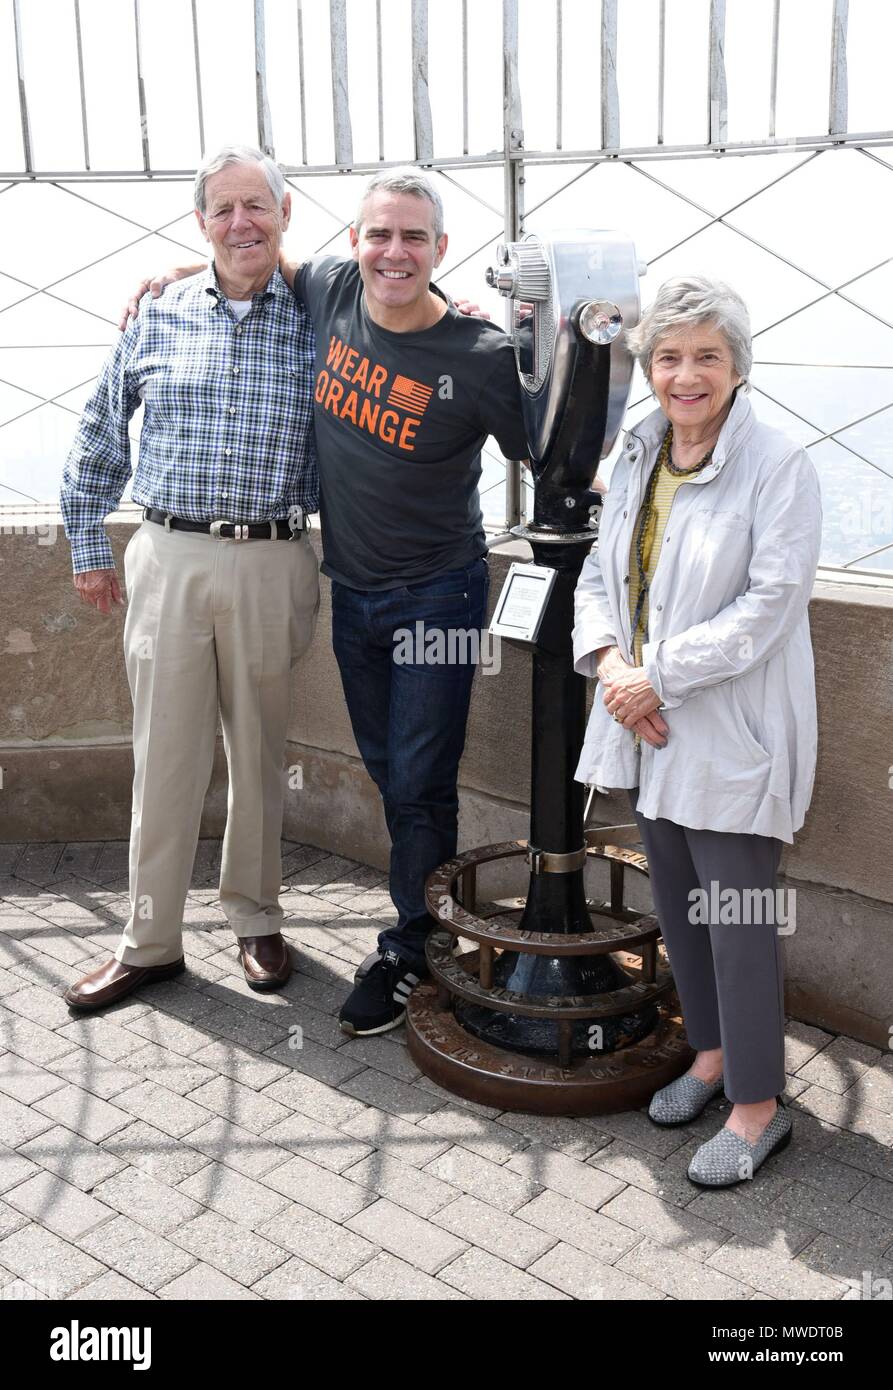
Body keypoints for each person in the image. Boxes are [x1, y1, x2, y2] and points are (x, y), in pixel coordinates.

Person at [129, 167, 529, 1037]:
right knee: (393, 775)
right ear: (352, 243)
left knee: (419, 787)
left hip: (442, 598)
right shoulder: (329, 287)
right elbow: (248, 249)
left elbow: (551, 455)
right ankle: (431, 929)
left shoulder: (479, 354)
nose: (394, 252)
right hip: (353, 593)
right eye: (379, 234)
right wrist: (169, 273)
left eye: (413, 238)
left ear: (440, 251)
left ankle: (412, 950)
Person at [572, 275, 822, 1187]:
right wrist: (608, 664)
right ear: (647, 369)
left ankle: (757, 1107)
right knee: (678, 907)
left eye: (705, 357)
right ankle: (709, 1057)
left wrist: (653, 676)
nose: (686, 376)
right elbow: (599, 575)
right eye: (668, 357)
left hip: (725, 730)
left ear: (735, 367)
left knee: (738, 920)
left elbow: (769, 605)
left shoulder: (778, 465)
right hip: (647, 723)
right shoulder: (638, 453)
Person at [60, 145, 320, 1011]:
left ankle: (255, 916)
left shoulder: (321, 314)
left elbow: (400, 275)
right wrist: (89, 545)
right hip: (167, 555)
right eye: (223, 210)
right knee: (162, 758)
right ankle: (148, 941)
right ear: (199, 222)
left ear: (285, 216)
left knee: (259, 751)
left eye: (258, 207)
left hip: (275, 558)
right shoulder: (157, 313)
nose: (241, 223)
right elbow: (99, 434)